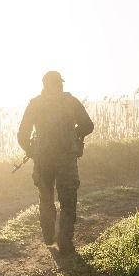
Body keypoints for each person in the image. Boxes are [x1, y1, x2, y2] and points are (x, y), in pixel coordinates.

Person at [17, 70, 94, 254]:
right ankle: (64, 241)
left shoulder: (35, 104)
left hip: (43, 159)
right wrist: (75, 134)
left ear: (44, 85)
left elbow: (22, 135)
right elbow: (88, 126)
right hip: (66, 159)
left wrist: (32, 151)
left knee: (45, 197)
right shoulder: (71, 101)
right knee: (68, 200)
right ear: (60, 84)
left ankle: (49, 235)